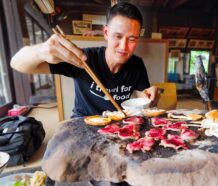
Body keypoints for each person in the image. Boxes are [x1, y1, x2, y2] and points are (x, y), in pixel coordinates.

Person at [10, 2, 159, 118]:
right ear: (106, 33)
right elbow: (16, 64)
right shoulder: (83, 59)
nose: (124, 46)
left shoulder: (136, 64)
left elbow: (141, 97)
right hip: (83, 123)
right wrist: (40, 51)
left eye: (132, 39)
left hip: (116, 125)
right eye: (118, 36)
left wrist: (149, 96)